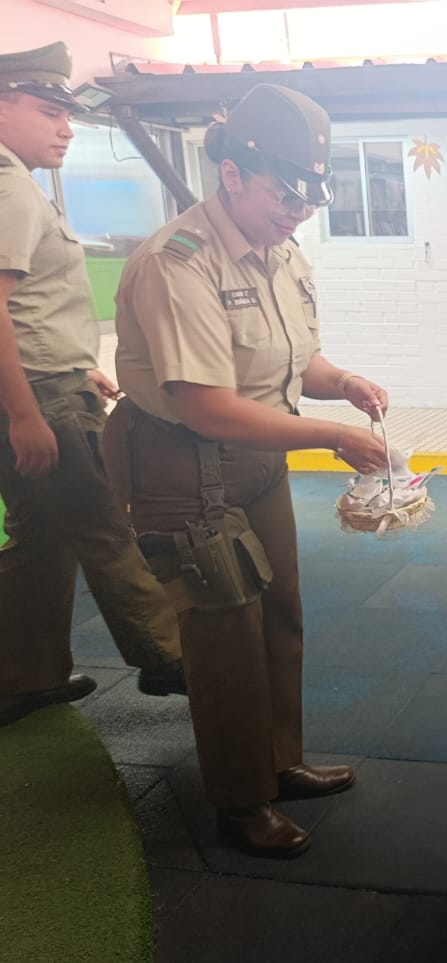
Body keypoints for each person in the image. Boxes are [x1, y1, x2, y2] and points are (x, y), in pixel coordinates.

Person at [104, 84, 391, 857]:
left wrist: (343, 382)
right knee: (226, 634)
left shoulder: (280, 249)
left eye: (308, 198)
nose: (297, 212)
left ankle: (277, 761)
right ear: (231, 174)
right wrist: (330, 435)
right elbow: (207, 406)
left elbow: (294, 358)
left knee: (279, 614)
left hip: (261, 459)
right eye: (283, 194)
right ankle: (240, 802)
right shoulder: (178, 262)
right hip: (188, 467)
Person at [0, 41, 185, 728]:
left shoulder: (17, 184)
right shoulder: (9, 188)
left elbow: (27, 309)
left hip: (43, 381)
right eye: (48, 111)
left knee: (41, 538)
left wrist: (74, 365)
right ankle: (172, 657)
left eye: (67, 114)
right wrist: (26, 412)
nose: (66, 128)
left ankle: (21, 676)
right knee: (108, 527)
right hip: (38, 397)